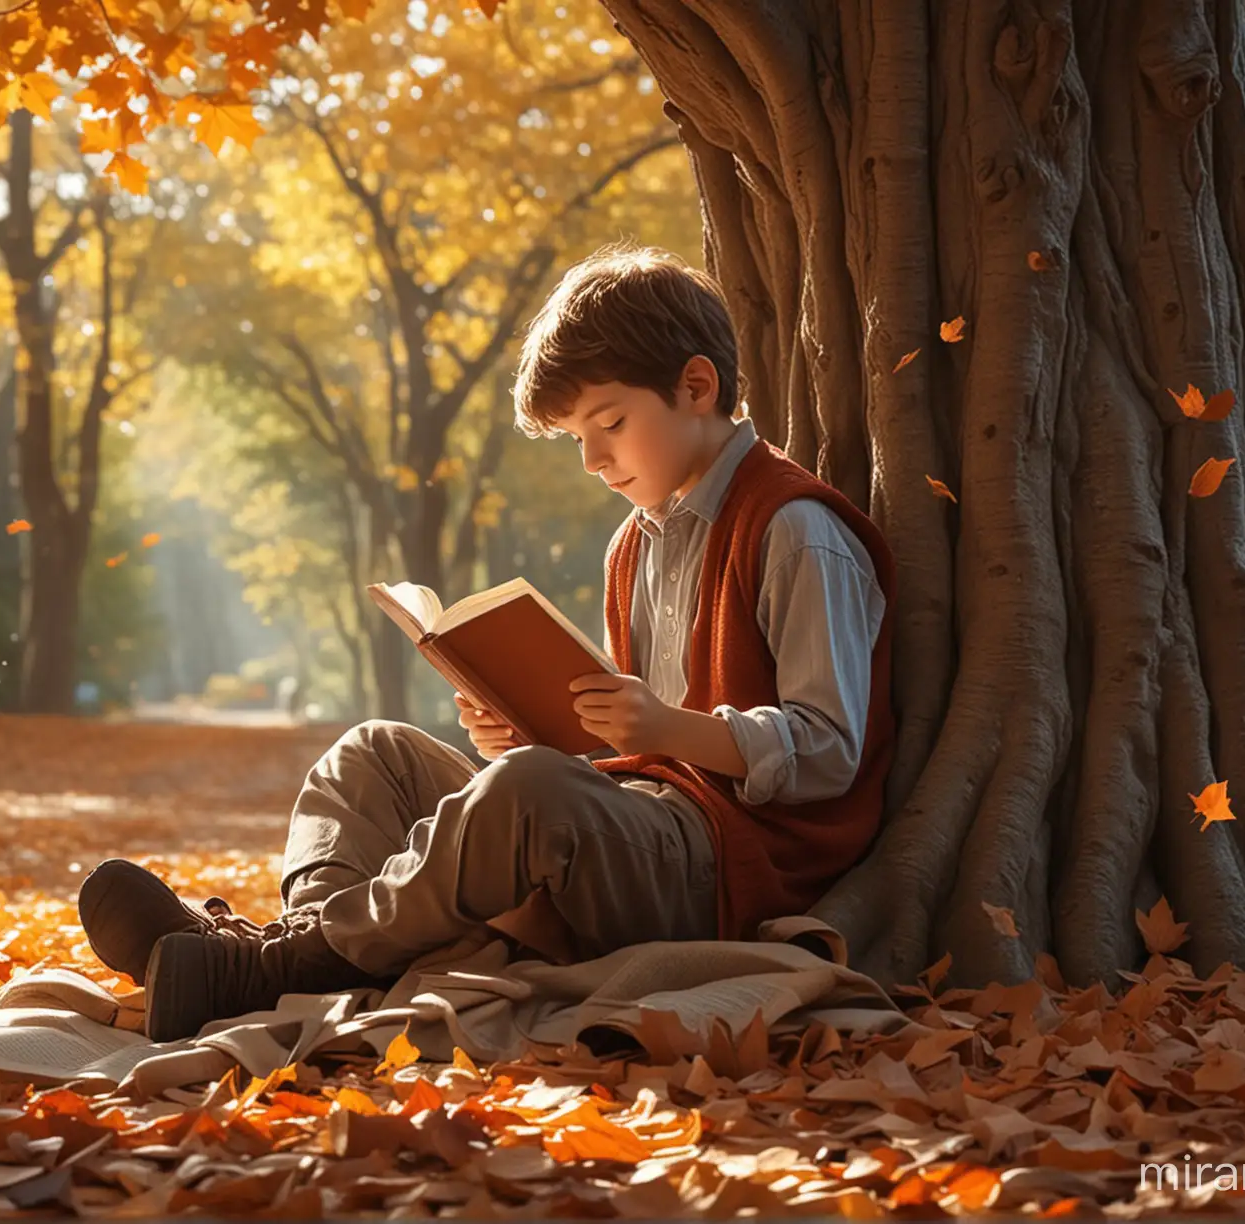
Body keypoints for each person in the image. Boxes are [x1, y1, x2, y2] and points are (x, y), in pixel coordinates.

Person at [79, 243, 898, 1042]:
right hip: (637, 826)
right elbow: (627, 756)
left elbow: (829, 749)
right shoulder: (635, 546)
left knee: (529, 790)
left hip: (726, 868)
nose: (592, 459)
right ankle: (297, 954)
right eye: (576, 436)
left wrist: (659, 733)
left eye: (608, 424)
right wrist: (539, 729)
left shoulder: (795, 532)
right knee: (373, 756)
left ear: (695, 386)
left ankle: (267, 966)